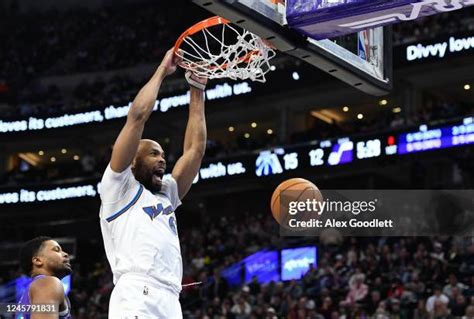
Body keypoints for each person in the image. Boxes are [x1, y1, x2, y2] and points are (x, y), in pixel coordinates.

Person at [99, 48, 207, 318]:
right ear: (133, 162)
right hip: (137, 292)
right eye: (153, 153)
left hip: (171, 297)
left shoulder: (166, 194)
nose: (162, 159)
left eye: (163, 154)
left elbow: (194, 151)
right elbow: (137, 118)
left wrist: (197, 88)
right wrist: (162, 71)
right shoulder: (119, 188)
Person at [18, 236, 72, 319]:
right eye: (57, 250)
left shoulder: (29, 294)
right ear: (38, 260)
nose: (66, 254)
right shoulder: (47, 283)